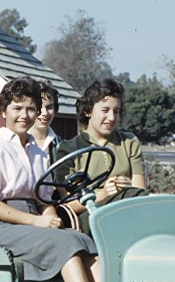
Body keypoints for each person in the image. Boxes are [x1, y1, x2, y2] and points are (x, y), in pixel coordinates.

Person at [0, 77, 102, 282]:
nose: (25, 115)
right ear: (3, 111)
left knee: (82, 240)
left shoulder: (37, 152)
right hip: (0, 224)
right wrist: (37, 222)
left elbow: (43, 198)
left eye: (31, 108)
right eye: (17, 108)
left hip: (32, 217)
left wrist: (51, 216)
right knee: (65, 243)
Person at [54, 78, 147, 232]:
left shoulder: (129, 142)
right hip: (91, 217)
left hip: (129, 211)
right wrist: (103, 193)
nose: (111, 118)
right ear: (88, 111)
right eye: (105, 110)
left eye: (116, 111)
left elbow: (139, 192)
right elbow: (69, 206)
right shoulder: (68, 150)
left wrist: (124, 187)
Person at [28, 80, 62, 162]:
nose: (44, 113)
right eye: (39, 106)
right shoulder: (17, 143)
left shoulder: (62, 146)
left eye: (49, 107)